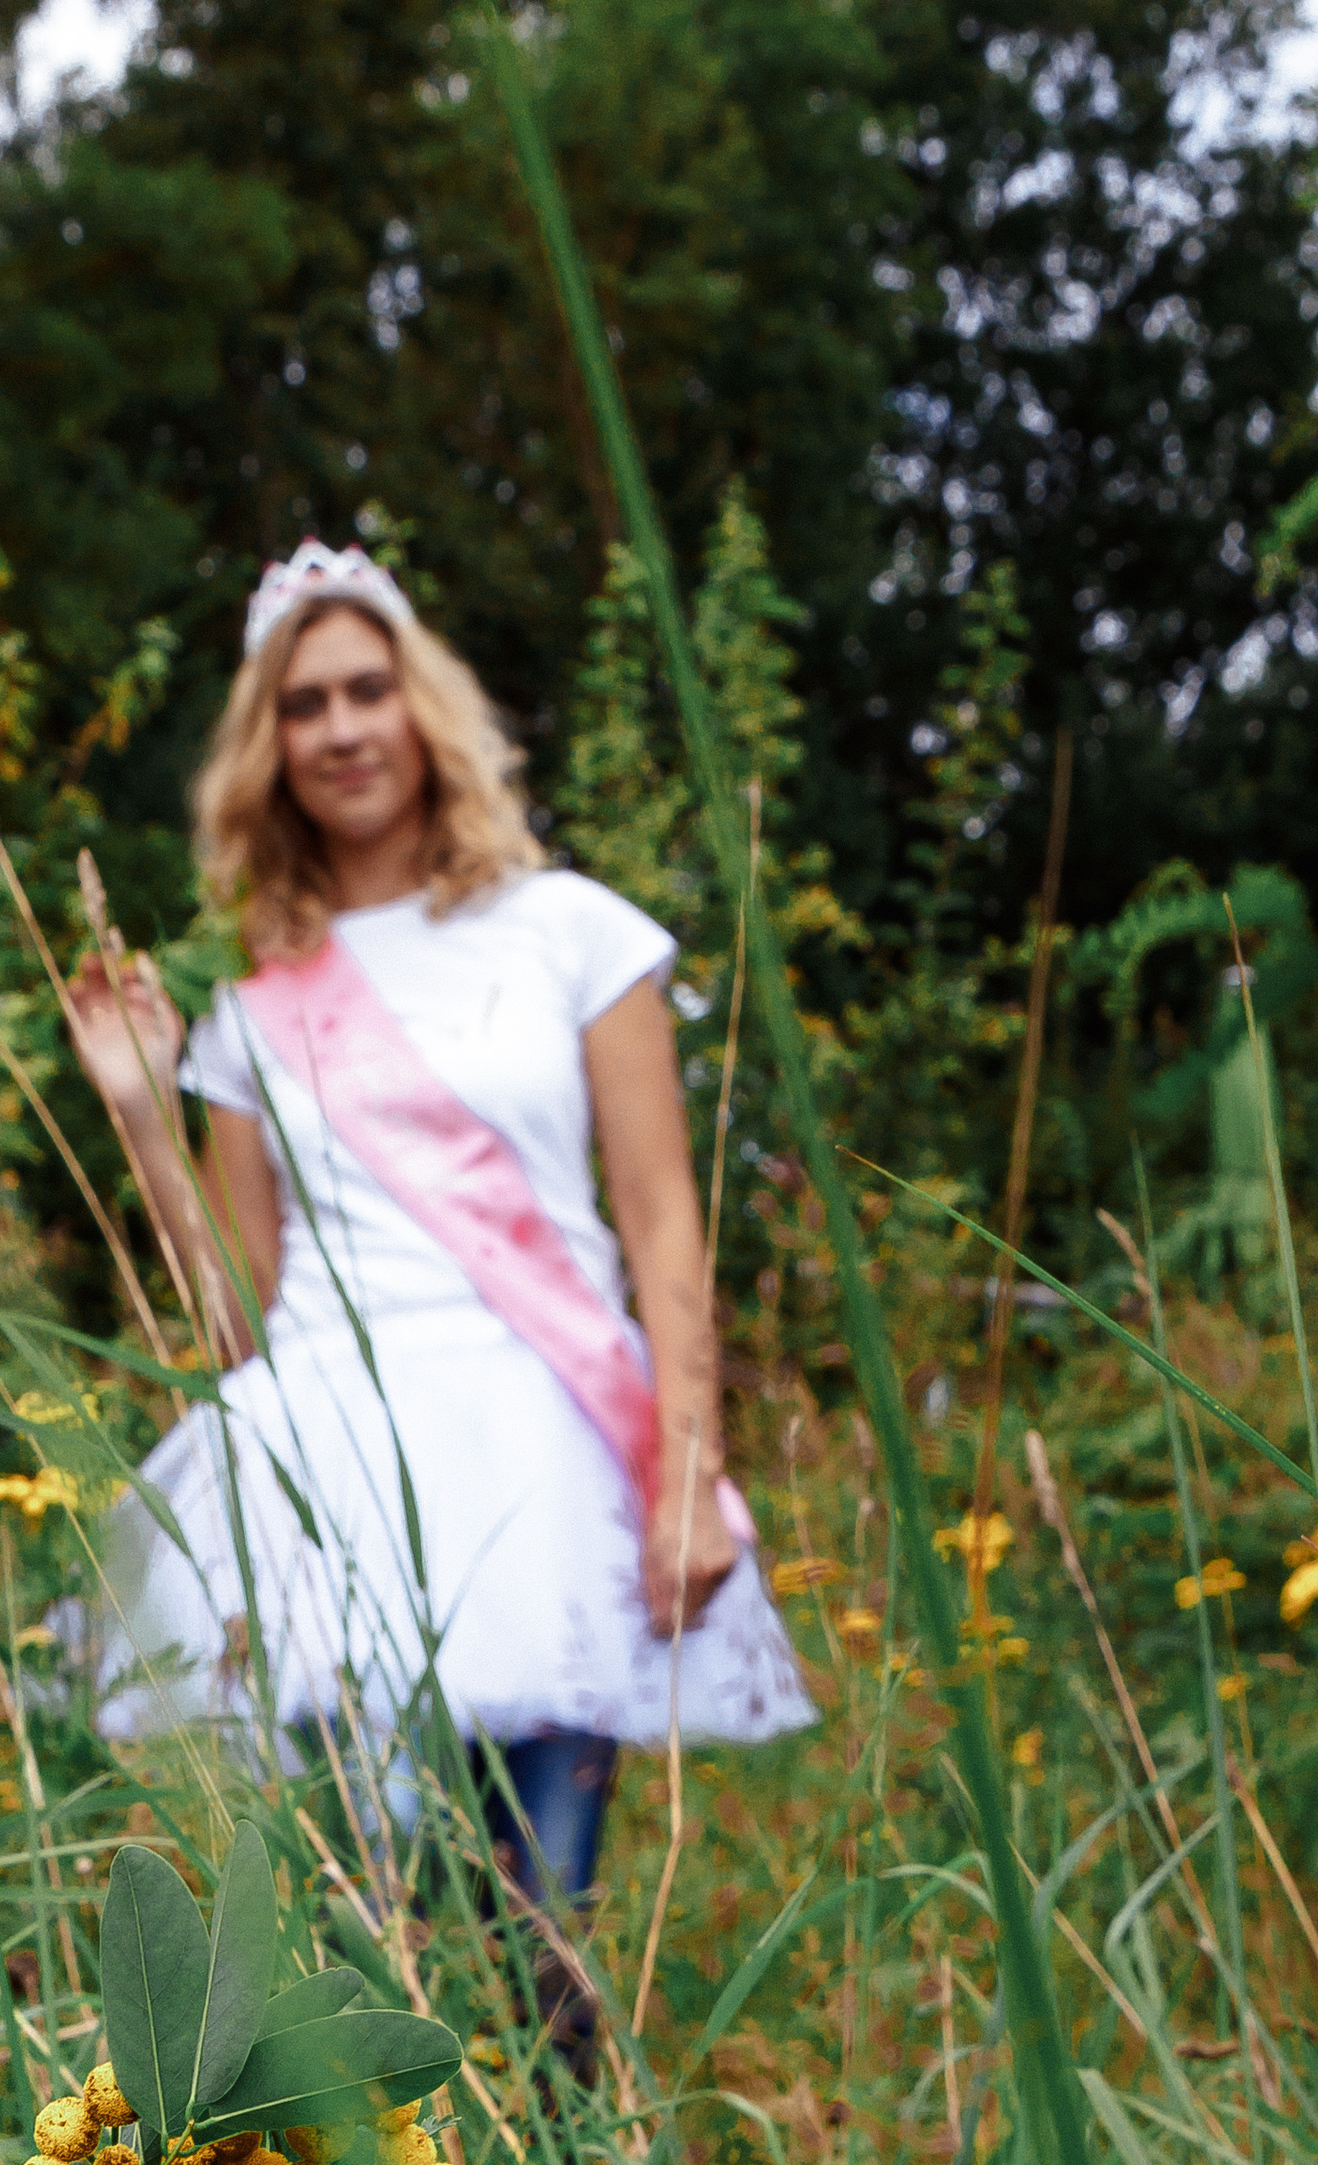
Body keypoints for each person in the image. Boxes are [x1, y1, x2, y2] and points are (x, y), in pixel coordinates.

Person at [65, 538, 812, 1951]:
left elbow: (661, 1219)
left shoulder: (573, 934)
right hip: (329, 1480)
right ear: (267, 748)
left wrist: (693, 1466)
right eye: (303, 705)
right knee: (392, 1927)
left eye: (367, 689)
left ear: (425, 707)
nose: (341, 727)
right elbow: (237, 1321)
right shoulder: (253, 1012)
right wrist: (145, 1115)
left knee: (542, 1923)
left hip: (549, 1455)